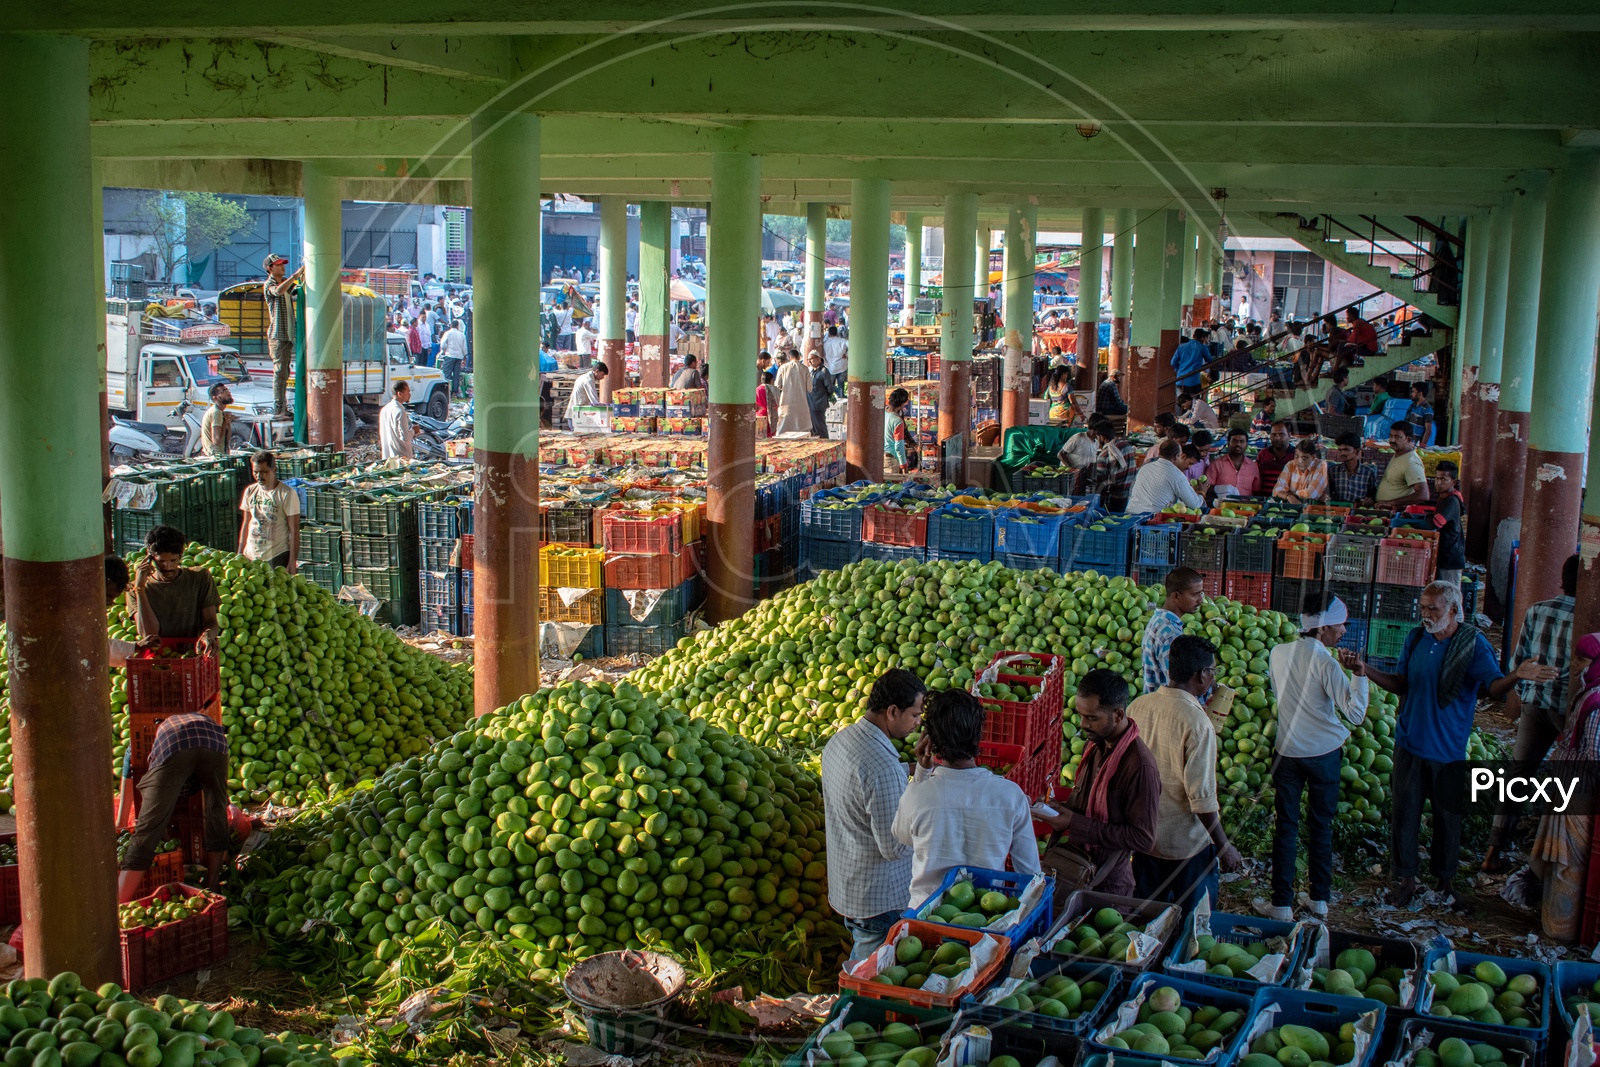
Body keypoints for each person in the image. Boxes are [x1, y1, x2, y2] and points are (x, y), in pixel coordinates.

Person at [1363, 580, 1556, 908]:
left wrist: (1517, 675)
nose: (1425, 614)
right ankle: (1406, 880)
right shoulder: (1416, 638)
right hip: (1410, 741)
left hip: (1448, 749)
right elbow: (1401, 684)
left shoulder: (1473, 645)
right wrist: (1366, 669)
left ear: (1453, 610)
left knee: (1448, 819)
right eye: (1423, 607)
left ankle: (1445, 882)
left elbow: (1493, 687)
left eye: (1433, 608)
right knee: (1404, 815)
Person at [1256, 593, 1369, 921]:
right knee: (1321, 826)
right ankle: (1319, 899)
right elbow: (1356, 714)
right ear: (1322, 629)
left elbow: (1280, 696)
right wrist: (1359, 674)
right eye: (1339, 625)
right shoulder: (1325, 662)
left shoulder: (1278, 652)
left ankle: (1281, 905)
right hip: (1323, 755)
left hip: (1287, 752)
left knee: (1286, 827)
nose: (1344, 631)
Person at [892, 690, 1041, 905]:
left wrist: (921, 774)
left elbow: (902, 836)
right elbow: (1029, 873)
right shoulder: (1009, 795)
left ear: (929, 740)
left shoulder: (917, 794)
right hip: (988, 914)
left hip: (926, 917)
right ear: (979, 734)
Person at [1129, 635, 1243, 912]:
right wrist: (1224, 845)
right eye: (1213, 672)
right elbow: (1201, 799)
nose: (1213, 679)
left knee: (1146, 921)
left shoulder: (1138, 707)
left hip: (1144, 839)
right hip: (1185, 847)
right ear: (1203, 674)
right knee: (1193, 927)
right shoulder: (1198, 723)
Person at [820, 669, 926, 961]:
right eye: (915, 715)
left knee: (865, 955)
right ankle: (849, 1006)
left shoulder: (841, 740)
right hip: (879, 897)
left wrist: (913, 771)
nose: (918, 724)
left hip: (848, 882)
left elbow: (863, 787)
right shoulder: (882, 768)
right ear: (893, 711)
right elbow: (893, 847)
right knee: (869, 972)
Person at [1485, 555, 1580, 872]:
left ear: (1562, 580)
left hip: (1534, 704)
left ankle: (1493, 851)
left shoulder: (1537, 610)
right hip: (1567, 709)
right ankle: (1549, 857)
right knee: (1568, 780)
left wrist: (1527, 694)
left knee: (1517, 776)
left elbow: (1517, 664)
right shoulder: (1587, 618)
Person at [1035, 670, 1160, 899]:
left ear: (1118, 714)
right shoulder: (1094, 746)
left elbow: (1143, 838)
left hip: (1107, 886)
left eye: (1092, 718)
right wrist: (1061, 810)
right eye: (1081, 715)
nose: (1083, 724)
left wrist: (1075, 822)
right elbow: (1088, 809)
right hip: (1075, 871)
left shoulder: (1139, 767)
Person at [1527, 632, 1600, 940]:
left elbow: (1594, 755)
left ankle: (1563, 928)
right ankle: (1552, 921)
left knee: (1569, 863)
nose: (1577, 666)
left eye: (1582, 660)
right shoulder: (1588, 693)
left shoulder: (1596, 704)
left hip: (1580, 791)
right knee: (1560, 861)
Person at [117, 706, 231, 903]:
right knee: (216, 809)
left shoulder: (150, 745)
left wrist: (160, 830)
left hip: (178, 743)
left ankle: (119, 902)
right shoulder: (198, 720)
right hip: (216, 744)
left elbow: (158, 798)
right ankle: (213, 885)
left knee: (147, 829)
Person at [127, 525, 219, 652]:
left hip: (193, 655)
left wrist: (208, 635)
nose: (167, 566)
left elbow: (211, 622)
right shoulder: (135, 589)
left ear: (181, 554)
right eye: (161, 561)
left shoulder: (200, 578)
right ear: (150, 557)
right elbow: (149, 634)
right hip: (159, 658)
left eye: (173, 560)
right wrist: (140, 589)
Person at [237, 451, 301, 573]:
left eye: (264, 472)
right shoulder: (250, 491)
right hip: (251, 554)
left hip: (276, 555)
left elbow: (294, 531)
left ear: (274, 470)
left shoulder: (286, 494)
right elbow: (246, 524)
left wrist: (292, 562)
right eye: (255, 472)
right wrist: (240, 553)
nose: (259, 476)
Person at [1143, 568, 1204, 694]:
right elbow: (1176, 685)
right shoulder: (1170, 634)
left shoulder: (1157, 619)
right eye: (1195, 594)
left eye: (1201, 593)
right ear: (1176, 596)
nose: (1200, 600)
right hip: (1165, 708)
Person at [260, 253, 304, 415]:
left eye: (283, 264)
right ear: (270, 268)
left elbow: (296, 290)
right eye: (278, 265)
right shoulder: (270, 284)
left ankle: (283, 406)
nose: (282, 267)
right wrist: (294, 276)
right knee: (280, 372)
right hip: (278, 335)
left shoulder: (286, 284)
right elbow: (278, 291)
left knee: (284, 372)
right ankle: (279, 406)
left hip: (287, 334)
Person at [1127, 439, 1204, 515]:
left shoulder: (1145, 467)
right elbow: (1195, 504)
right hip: (1152, 519)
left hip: (1131, 514)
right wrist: (1202, 492)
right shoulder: (1176, 474)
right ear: (1177, 456)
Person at [1084, 417, 1139, 512]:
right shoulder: (1127, 446)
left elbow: (1102, 483)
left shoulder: (1103, 455)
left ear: (1102, 437)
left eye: (1097, 438)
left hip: (1115, 498)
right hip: (1130, 494)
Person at [1430, 461, 1466, 587]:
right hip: (1445, 555)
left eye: (1443, 479)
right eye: (1437, 478)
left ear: (1453, 482)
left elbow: (1436, 523)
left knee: (1451, 596)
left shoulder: (1451, 501)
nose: (1438, 483)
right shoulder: (1444, 497)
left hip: (1451, 558)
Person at [1375, 422, 1429, 506]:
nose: (1392, 440)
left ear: (1408, 439)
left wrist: (1391, 503)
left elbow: (1423, 494)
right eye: (1391, 436)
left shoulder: (1411, 462)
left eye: (1397, 437)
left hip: (1395, 513)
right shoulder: (1399, 454)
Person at [1326, 431, 1380, 505]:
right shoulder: (1333, 471)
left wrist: (1370, 500)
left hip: (1358, 511)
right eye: (1340, 450)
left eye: (1346, 450)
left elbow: (1373, 495)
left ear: (1357, 451)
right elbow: (1328, 492)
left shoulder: (1368, 473)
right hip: (1339, 511)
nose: (1342, 453)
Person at [1273, 439, 1329, 504]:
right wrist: (1289, 496)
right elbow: (1276, 490)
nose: (1299, 461)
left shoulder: (1321, 465)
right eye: (1296, 456)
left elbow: (1311, 494)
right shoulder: (1290, 465)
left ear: (1313, 457)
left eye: (1304, 458)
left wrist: (1290, 493)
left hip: (1312, 507)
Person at [1210, 428, 1261, 498]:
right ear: (1228, 443)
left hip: (1246, 506)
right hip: (1222, 506)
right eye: (1234, 441)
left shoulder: (1253, 467)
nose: (1238, 444)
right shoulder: (1216, 464)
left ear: (1246, 445)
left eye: (1242, 441)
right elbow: (1208, 487)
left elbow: (1256, 491)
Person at [773, 351, 812, 435]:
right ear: (799, 357)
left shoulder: (783, 368)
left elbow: (777, 385)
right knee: (802, 430)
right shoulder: (805, 369)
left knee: (783, 429)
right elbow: (810, 388)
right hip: (801, 405)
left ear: (789, 357)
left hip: (786, 403)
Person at [1255, 421, 1296, 496]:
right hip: (1264, 500)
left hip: (1288, 502)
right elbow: (1256, 480)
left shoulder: (1296, 456)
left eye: (1281, 434)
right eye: (1274, 434)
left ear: (1289, 436)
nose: (1277, 438)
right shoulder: (1263, 454)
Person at [564, 361, 607, 429]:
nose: (603, 377)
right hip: (577, 409)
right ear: (597, 371)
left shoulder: (586, 377)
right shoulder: (588, 380)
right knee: (576, 430)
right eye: (602, 374)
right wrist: (603, 409)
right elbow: (593, 398)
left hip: (579, 408)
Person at [380, 382, 416, 459]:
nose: (409, 395)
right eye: (408, 392)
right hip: (401, 458)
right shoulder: (400, 411)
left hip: (388, 456)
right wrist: (414, 431)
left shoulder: (385, 409)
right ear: (400, 394)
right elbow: (405, 437)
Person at [199, 382, 236, 458]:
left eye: (227, 390)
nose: (228, 393)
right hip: (215, 457)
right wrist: (226, 421)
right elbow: (216, 440)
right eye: (223, 391)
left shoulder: (219, 412)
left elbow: (226, 439)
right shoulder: (216, 413)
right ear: (215, 398)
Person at [806, 351, 834, 439]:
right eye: (808, 359)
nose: (809, 361)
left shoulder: (824, 371)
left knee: (820, 426)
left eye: (811, 359)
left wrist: (824, 398)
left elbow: (830, 388)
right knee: (813, 427)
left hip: (818, 403)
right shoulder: (812, 372)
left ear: (818, 359)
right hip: (811, 403)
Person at [884, 387, 912, 474]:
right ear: (902, 404)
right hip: (891, 460)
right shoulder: (897, 421)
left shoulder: (882, 413)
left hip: (880, 458)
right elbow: (898, 447)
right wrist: (904, 466)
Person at [755, 369, 776, 437]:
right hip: (771, 414)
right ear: (771, 380)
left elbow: (755, 404)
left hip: (760, 414)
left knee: (760, 436)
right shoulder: (773, 389)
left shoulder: (757, 389)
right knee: (770, 435)